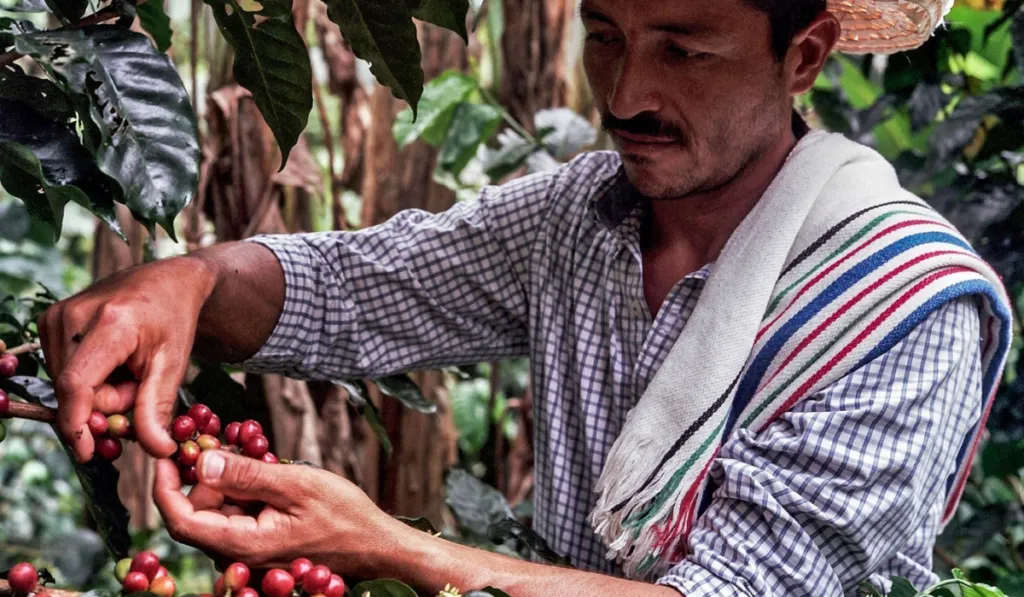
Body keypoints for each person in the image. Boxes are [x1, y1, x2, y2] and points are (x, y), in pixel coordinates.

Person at [37, 0, 1013, 596]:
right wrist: (187, 281)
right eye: (604, 36)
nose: (624, 92)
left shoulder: (899, 308)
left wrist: (392, 548)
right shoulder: (579, 218)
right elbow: (350, 290)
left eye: (684, 50)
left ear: (801, 55)